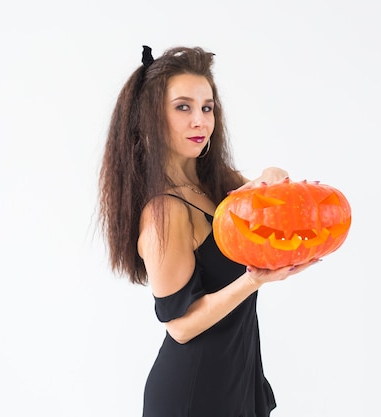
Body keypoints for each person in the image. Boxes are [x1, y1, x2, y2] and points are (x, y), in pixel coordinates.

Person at [98, 45, 319, 417]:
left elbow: (265, 202)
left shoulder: (214, 181)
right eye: (183, 107)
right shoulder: (163, 212)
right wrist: (254, 281)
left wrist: (273, 176)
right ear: (150, 116)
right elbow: (180, 327)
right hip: (194, 394)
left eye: (207, 107)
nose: (200, 120)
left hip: (236, 376)